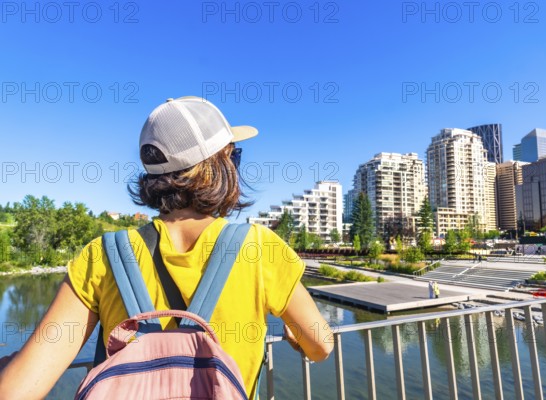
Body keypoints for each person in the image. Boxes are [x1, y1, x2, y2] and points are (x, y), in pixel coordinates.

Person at [0, 96, 333, 399]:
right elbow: (320, 345)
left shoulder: (102, 254)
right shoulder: (259, 247)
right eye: (235, 156)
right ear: (220, 163)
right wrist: (295, 336)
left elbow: (19, 389)